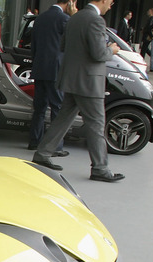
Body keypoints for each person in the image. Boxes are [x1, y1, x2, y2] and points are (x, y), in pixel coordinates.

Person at [31, 0, 124, 183]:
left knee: (63, 119)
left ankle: (42, 153)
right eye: (111, 2)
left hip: (72, 79)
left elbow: (63, 46)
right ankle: (100, 168)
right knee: (96, 124)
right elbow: (99, 54)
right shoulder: (96, 20)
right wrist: (111, 50)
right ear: (103, 0)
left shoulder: (74, 18)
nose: (111, 5)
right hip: (89, 82)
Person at [27, 0, 72, 156]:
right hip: (55, 70)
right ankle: (55, 146)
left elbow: (33, 45)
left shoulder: (40, 18)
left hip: (40, 68)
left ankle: (34, 141)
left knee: (39, 108)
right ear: (70, 2)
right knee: (57, 108)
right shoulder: (65, 19)